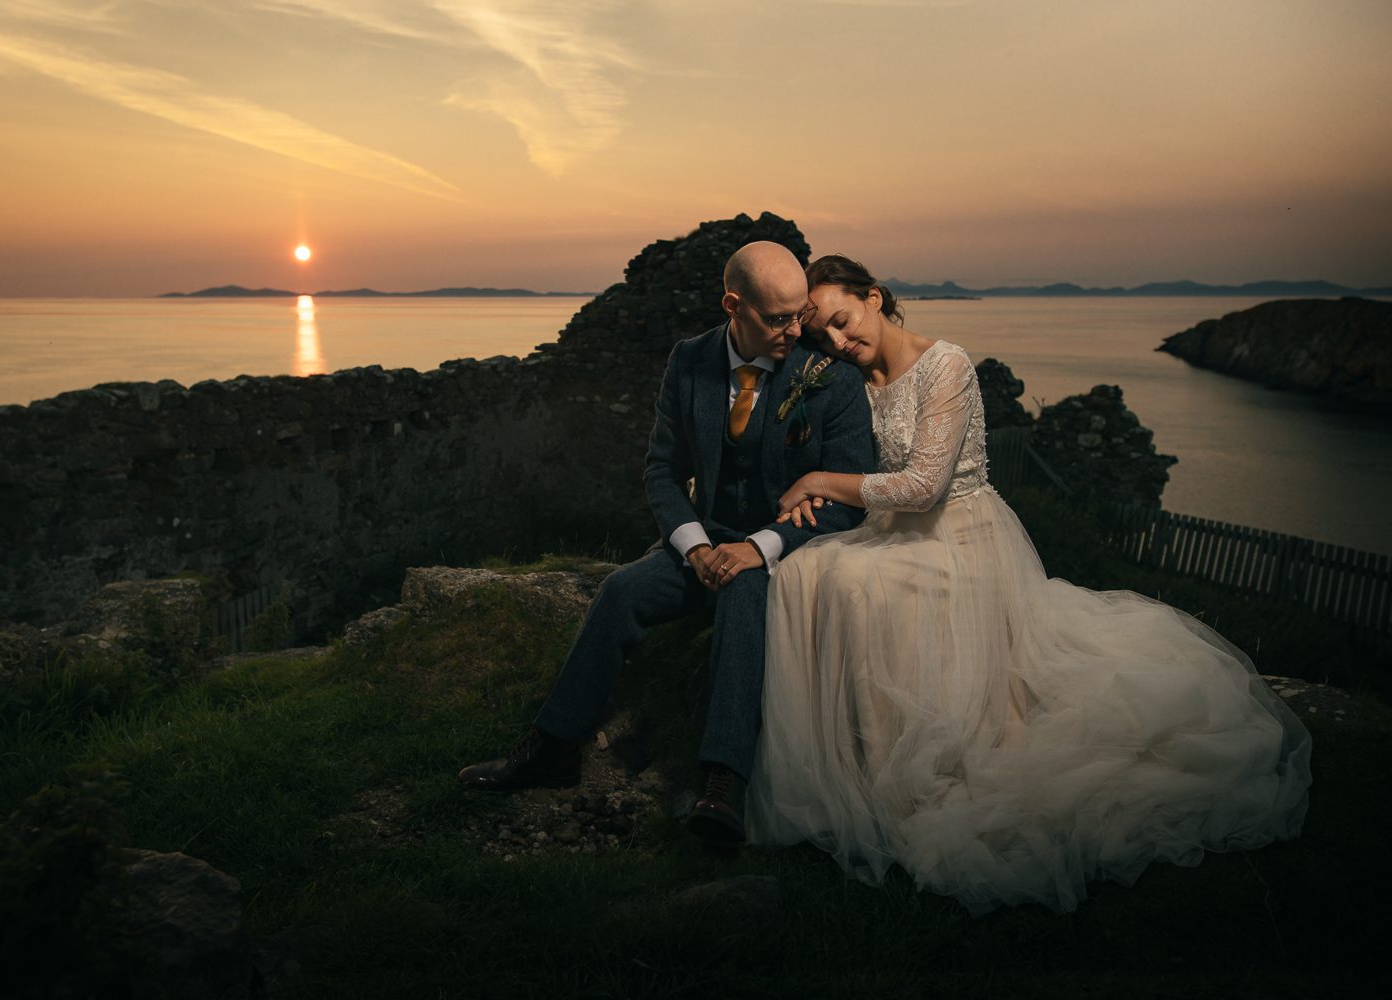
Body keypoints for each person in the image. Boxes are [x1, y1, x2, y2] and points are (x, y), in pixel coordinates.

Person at [747, 253, 1312, 914]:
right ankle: (851, 774)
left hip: (957, 534)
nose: (839, 342)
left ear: (874, 296)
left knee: (855, 582)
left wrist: (819, 483)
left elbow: (924, 487)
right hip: (889, 532)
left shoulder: (945, 365)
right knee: (808, 572)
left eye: (842, 321)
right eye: (825, 337)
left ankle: (908, 782)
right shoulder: (847, 381)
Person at [459, 241, 877, 844]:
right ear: (733, 305)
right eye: (777, 317)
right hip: (703, 544)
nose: (796, 328)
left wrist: (757, 547)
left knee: (744, 595)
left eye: (800, 313)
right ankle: (551, 750)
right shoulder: (689, 361)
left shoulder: (829, 378)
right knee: (621, 590)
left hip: (781, 552)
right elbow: (661, 470)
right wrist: (694, 546)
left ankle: (723, 783)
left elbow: (842, 498)